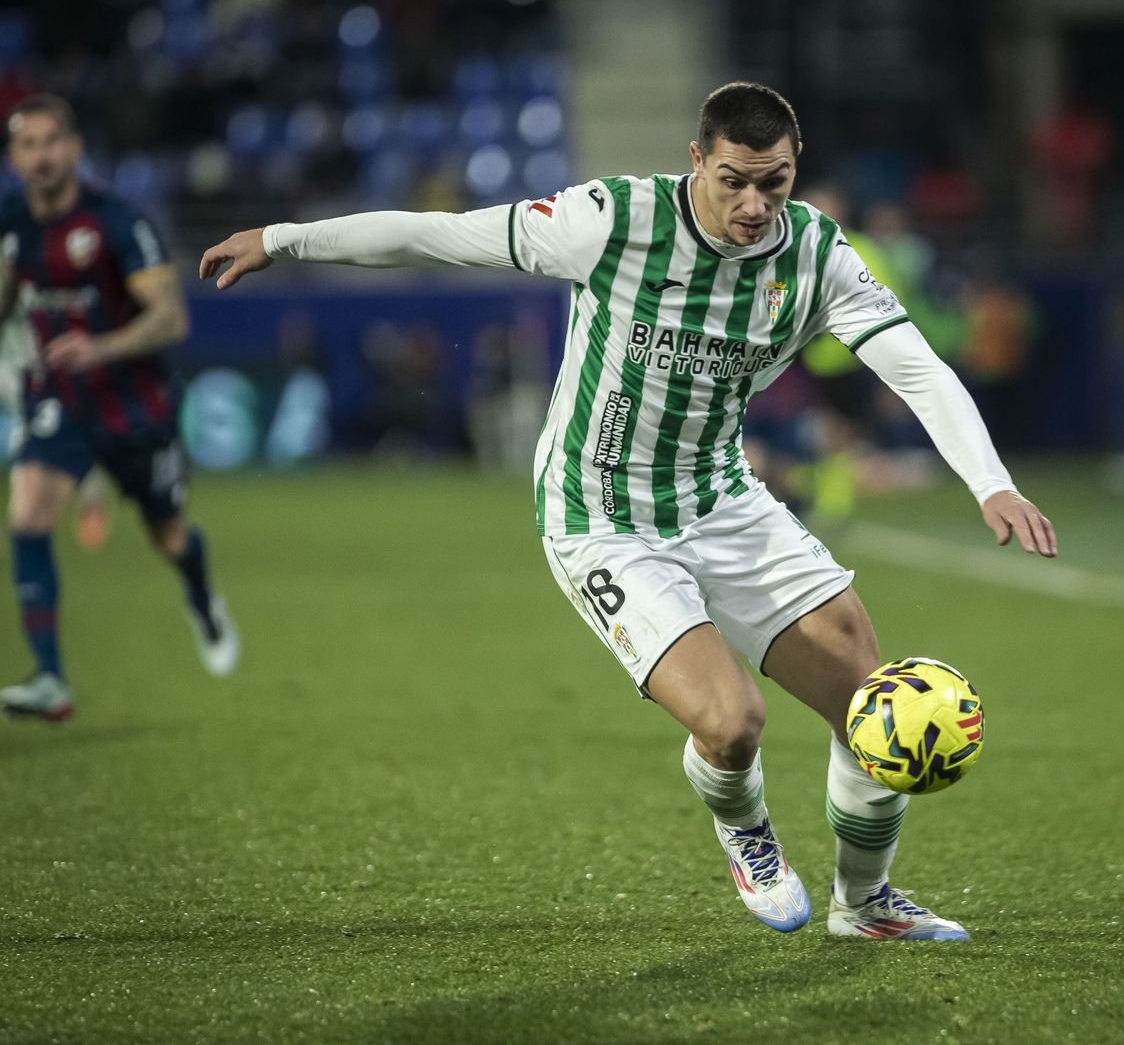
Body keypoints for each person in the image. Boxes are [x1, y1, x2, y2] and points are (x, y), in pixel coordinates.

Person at [200, 82, 1056, 941]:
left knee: (873, 703)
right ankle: (746, 834)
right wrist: (284, 237)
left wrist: (992, 482)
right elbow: (439, 234)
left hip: (721, 498)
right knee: (733, 724)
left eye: (777, 182)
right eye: (735, 180)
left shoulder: (818, 255)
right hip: (599, 512)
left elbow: (916, 368)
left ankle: (864, 904)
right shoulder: (612, 220)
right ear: (697, 160)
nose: (756, 204)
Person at [1, 93, 240, 722]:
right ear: (13, 157)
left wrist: (101, 345)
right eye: (29, 144)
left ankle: (200, 593)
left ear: (75, 148)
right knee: (26, 516)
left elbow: (171, 318)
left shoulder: (117, 221)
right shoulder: (10, 222)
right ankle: (51, 677)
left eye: (54, 141)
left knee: (167, 536)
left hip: (136, 402)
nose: (43, 155)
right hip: (60, 398)